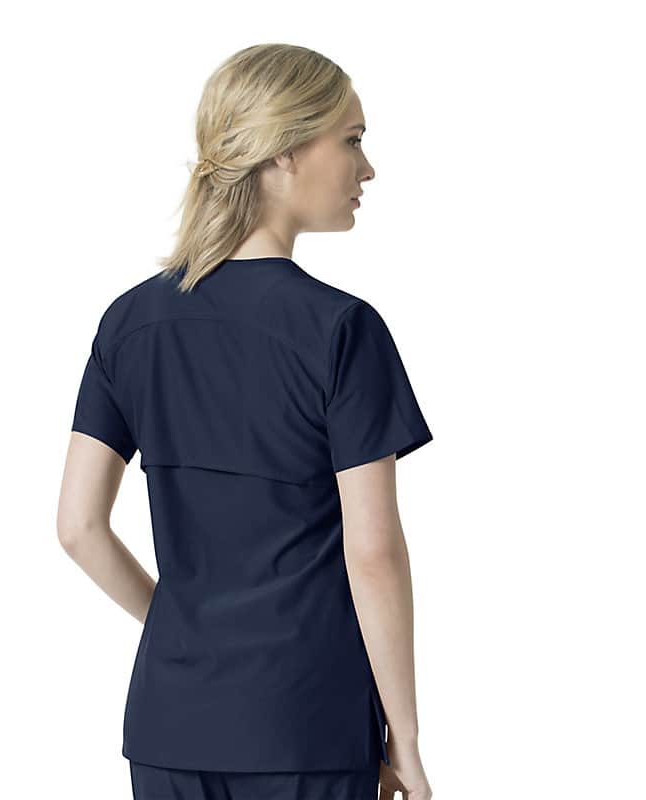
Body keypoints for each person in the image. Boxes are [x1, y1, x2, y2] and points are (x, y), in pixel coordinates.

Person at [57, 43, 435, 800]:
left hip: (170, 724)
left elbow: (78, 527)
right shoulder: (340, 330)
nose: (367, 169)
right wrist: (407, 740)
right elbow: (372, 554)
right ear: (283, 152)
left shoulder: (129, 323)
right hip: (307, 722)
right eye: (352, 139)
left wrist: (181, 632)